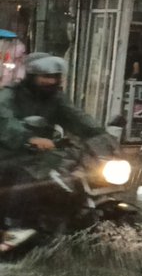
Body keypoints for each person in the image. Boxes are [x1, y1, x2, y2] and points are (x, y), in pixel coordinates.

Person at [0, 54, 111, 245]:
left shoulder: (56, 98)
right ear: (31, 75)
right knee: (24, 178)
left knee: (73, 174)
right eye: (46, 76)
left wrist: (101, 135)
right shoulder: (10, 94)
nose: (51, 81)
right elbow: (5, 121)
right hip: (10, 151)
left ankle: (66, 221)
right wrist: (29, 138)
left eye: (55, 76)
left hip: (44, 152)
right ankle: (11, 227)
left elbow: (77, 117)